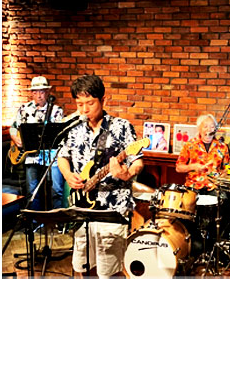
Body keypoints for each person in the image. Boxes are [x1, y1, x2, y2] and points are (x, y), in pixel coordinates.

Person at [57, 74, 144, 278]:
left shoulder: (121, 127)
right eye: (79, 104)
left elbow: (138, 161)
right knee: (83, 265)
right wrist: (68, 175)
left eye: (90, 103)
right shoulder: (73, 128)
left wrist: (127, 173)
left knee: (110, 270)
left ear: (103, 100)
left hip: (112, 207)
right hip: (82, 207)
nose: (84, 110)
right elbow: (62, 156)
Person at [176, 114, 230, 254]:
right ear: (199, 128)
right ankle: (194, 245)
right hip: (193, 186)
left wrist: (222, 175)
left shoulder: (222, 147)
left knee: (225, 203)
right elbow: (179, 167)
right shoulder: (190, 145)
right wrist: (193, 166)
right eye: (205, 126)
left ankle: (213, 245)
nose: (209, 130)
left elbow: (227, 169)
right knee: (187, 212)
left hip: (213, 186)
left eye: (212, 127)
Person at [9, 75, 65, 210]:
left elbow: (59, 134)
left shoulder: (56, 111)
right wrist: (15, 138)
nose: (39, 95)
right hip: (31, 155)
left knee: (57, 189)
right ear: (31, 93)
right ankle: (35, 219)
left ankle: (57, 217)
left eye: (42, 91)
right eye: (35, 92)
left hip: (51, 155)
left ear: (47, 92)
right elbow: (13, 127)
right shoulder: (24, 109)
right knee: (32, 190)